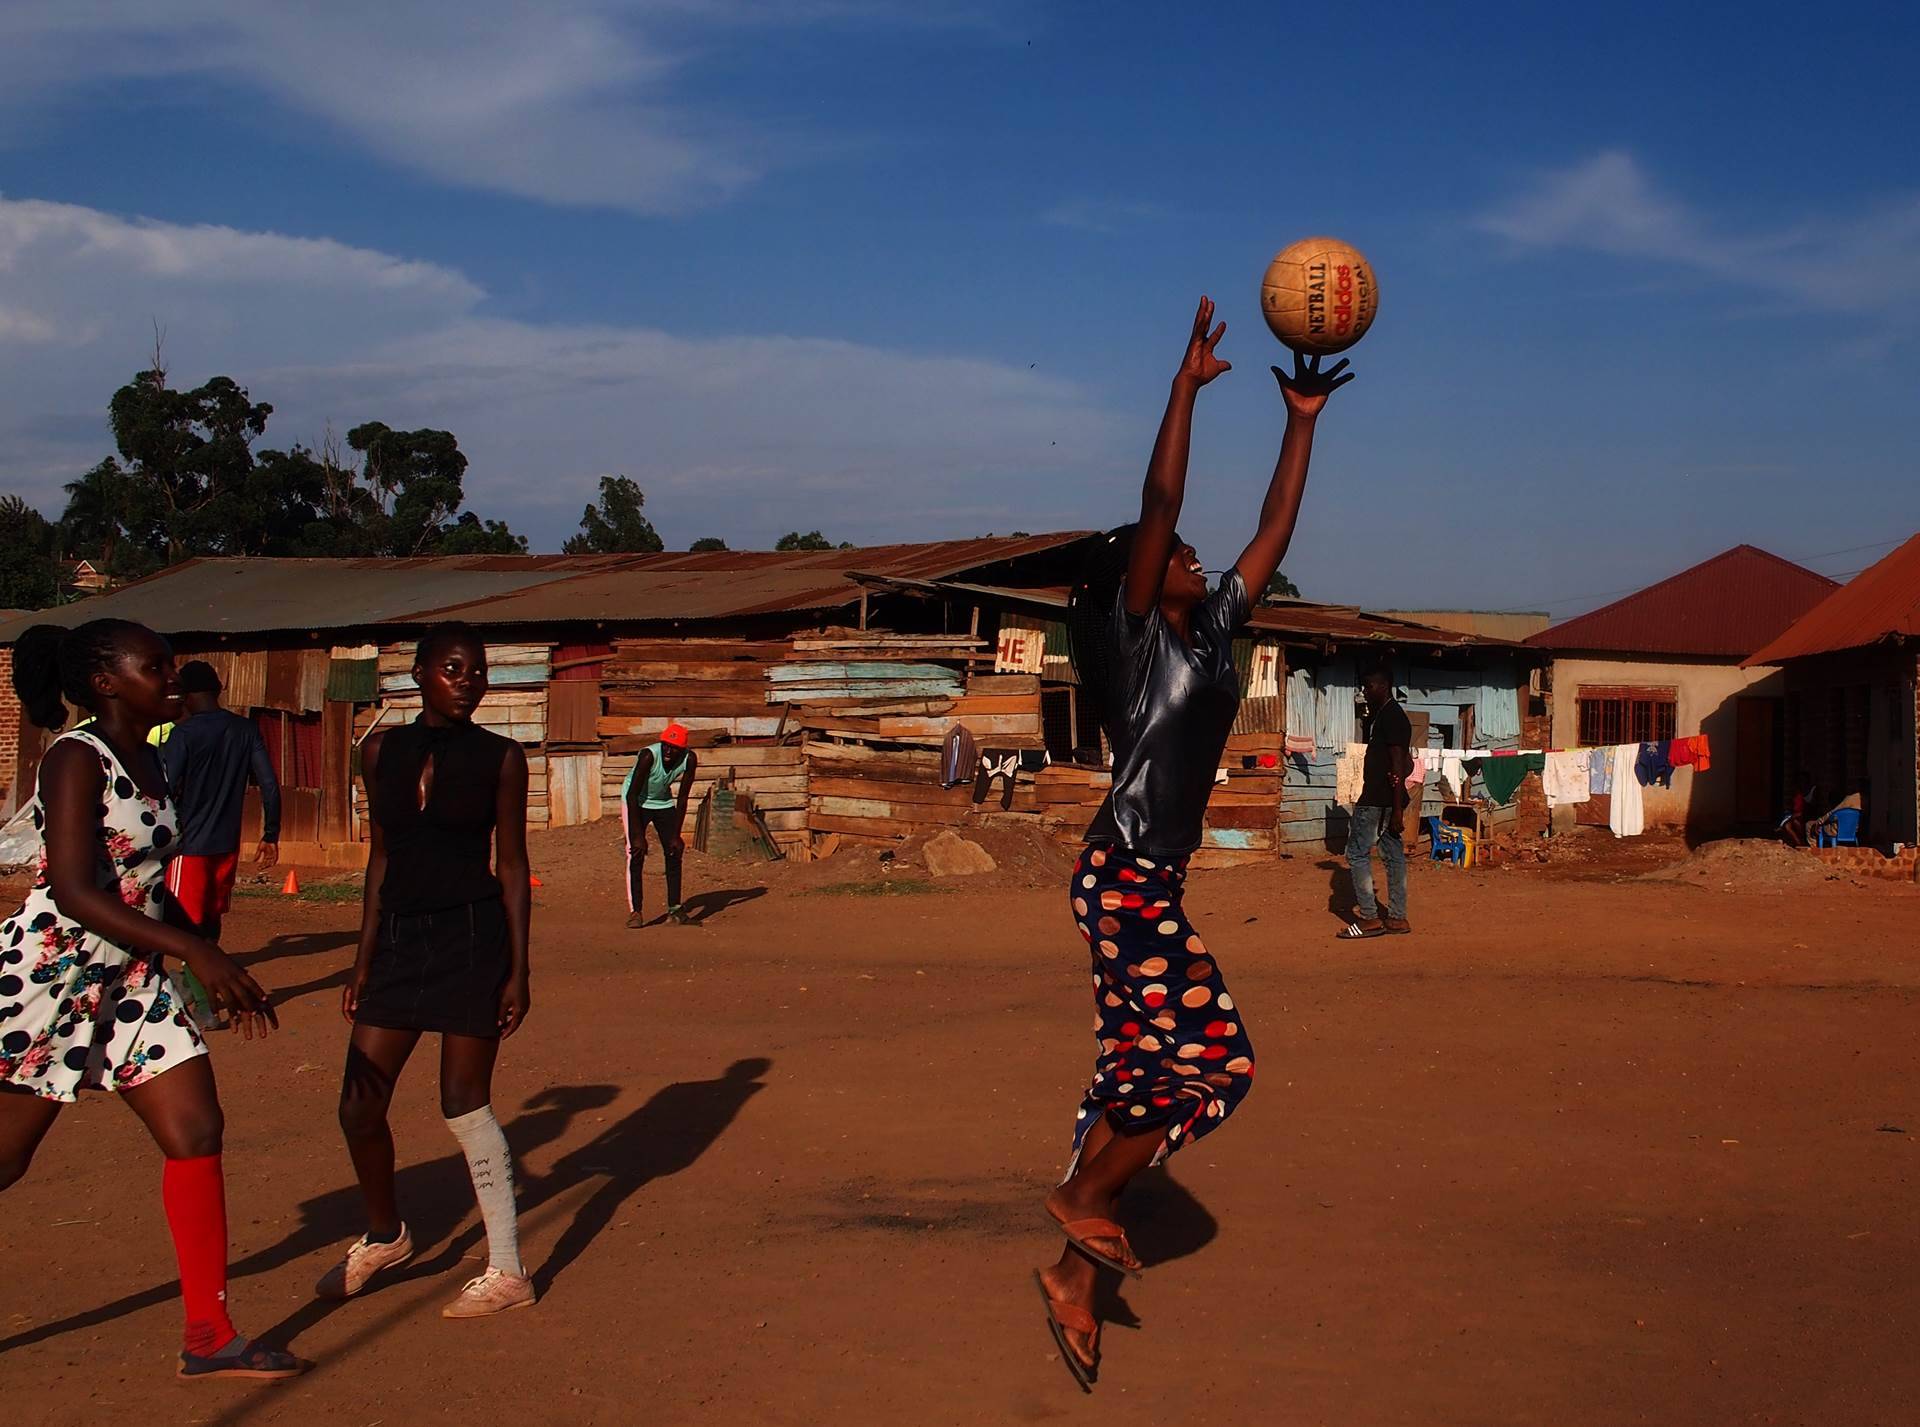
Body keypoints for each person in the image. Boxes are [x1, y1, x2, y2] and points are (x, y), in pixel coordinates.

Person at [1038, 297, 1351, 1388]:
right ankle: (1081, 1199)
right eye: (1172, 554)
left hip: (1140, 879)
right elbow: (1161, 498)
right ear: (1141, 571)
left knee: (1140, 1068)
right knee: (1218, 1062)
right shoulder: (1132, 643)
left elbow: (1273, 524)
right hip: (1122, 877)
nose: (1195, 554)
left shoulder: (1214, 632)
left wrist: (1301, 418)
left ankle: (1073, 1275)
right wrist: (1183, 388)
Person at [0, 620, 304, 1381]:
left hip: (133, 980)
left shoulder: (155, 757)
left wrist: (211, 957)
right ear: (105, 680)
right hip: (55, 977)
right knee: (5, 1158)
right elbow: (71, 888)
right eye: (155, 663)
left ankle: (210, 1334)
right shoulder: (76, 756)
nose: (170, 673)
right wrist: (195, 949)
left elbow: (147, 885)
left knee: (197, 1128)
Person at [320, 622, 536, 1318]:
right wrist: (361, 961)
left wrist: (518, 971)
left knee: (463, 1101)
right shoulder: (379, 750)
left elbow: (511, 865)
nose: (468, 679)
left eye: (477, 670)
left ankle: (508, 1269)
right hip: (399, 944)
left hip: (473, 940)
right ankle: (386, 1234)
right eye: (453, 668)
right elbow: (380, 859)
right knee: (358, 1102)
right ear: (418, 674)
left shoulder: (502, 757)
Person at [159, 659, 281, 950]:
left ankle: (203, 986)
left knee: (180, 920)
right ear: (217, 690)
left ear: (185, 695)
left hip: (187, 844)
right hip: (227, 843)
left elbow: (164, 789)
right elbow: (269, 785)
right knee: (212, 916)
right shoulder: (245, 729)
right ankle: (209, 974)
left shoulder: (183, 734)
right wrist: (271, 834)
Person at [1341, 667, 1412, 937]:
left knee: (1357, 854)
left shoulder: (1392, 717)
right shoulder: (1384, 716)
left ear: (1383, 687)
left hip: (1377, 801)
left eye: (1368, 687)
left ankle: (1369, 918)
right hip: (1386, 800)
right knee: (1393, 857)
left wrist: (1396, 810)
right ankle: (1397, 918)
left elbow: (1398, 763)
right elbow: (1405, 762)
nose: (1364, 692)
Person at [622, 721, 697, 928]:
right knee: (635, 852)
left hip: (663, 802)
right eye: (665, 745)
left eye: (673, 748)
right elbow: (631, 795)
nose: (668, 751)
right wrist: (638, 836)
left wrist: (676, 834)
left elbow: (682, 798)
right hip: (636, 801)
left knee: (674, 850)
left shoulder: (689, 759)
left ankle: (675, 909)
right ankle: (635, 911)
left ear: (682, 749)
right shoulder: (648, 756)